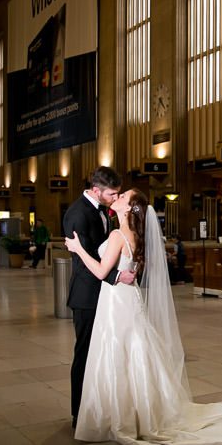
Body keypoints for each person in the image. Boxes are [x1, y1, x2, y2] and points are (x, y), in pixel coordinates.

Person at [65, 189, 222, 445]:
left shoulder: (117, 235)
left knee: (117, 351)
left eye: (123, 196)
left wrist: (78, 249)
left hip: (117, 301)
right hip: (128, 298)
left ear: (128, 209)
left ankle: (120, 414)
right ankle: (140, 412)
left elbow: (101, 270)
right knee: (133, 350)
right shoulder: (134, 235)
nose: (118, 198)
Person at [62, 167, 136, 430]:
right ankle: (78, 413)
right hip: (87, 296)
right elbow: (82, 263)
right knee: (84, 354)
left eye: (118, 193)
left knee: (102, 355)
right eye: (111, 193)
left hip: (106, 296)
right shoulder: (77, 213)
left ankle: (100, 408)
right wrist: (115, 276)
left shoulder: (104, 209)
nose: (115, 197)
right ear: (95, 190)